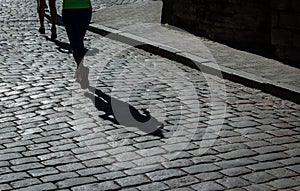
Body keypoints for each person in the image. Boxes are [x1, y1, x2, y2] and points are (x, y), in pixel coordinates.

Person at [62, 0, 92, 88]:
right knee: (77, 41)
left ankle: (81, 69)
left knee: (76, 41)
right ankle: (81, 69)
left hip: (73, 9)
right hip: (82, 9)